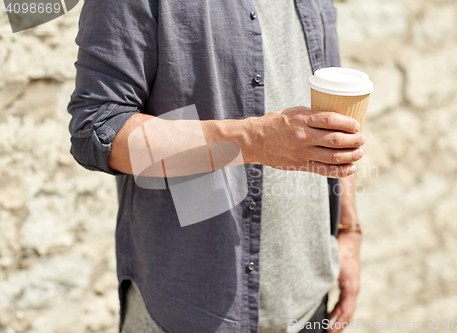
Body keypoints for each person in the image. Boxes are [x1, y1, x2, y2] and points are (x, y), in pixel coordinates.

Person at [67, 0, 363, 332]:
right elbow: (99, 130)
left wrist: (349, 231)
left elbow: (336, 120)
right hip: (190, 307)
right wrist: (253, 140)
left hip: (309, 297)